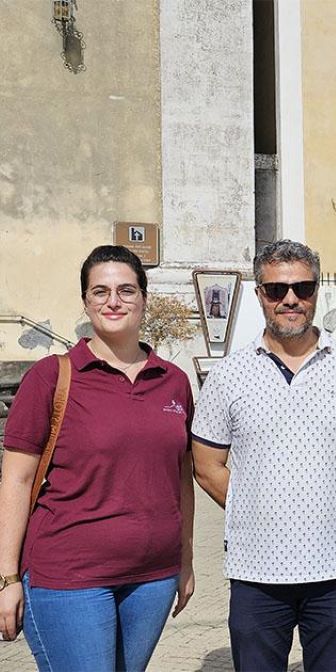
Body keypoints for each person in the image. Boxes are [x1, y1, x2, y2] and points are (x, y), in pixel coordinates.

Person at [191, 240, 336, 671]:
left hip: (335, 568)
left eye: (303, 287)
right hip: (256, 571)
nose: (291, 300)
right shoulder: (229, 375)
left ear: (316, 291)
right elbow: (206, 465)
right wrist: (259, 506)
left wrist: (333, 498)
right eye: (276, 290)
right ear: (259, 294)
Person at [0, 245, 196, 670]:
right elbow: (15, 481)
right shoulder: (52, 377)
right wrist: (8, 578)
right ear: (86, 302)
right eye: (100, 291)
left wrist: (185, 559)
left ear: (144, 298)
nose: (113, 301)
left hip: (153, 577)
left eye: (126, 290)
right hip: (69, 577)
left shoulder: (174, 382)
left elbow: (181, 475)